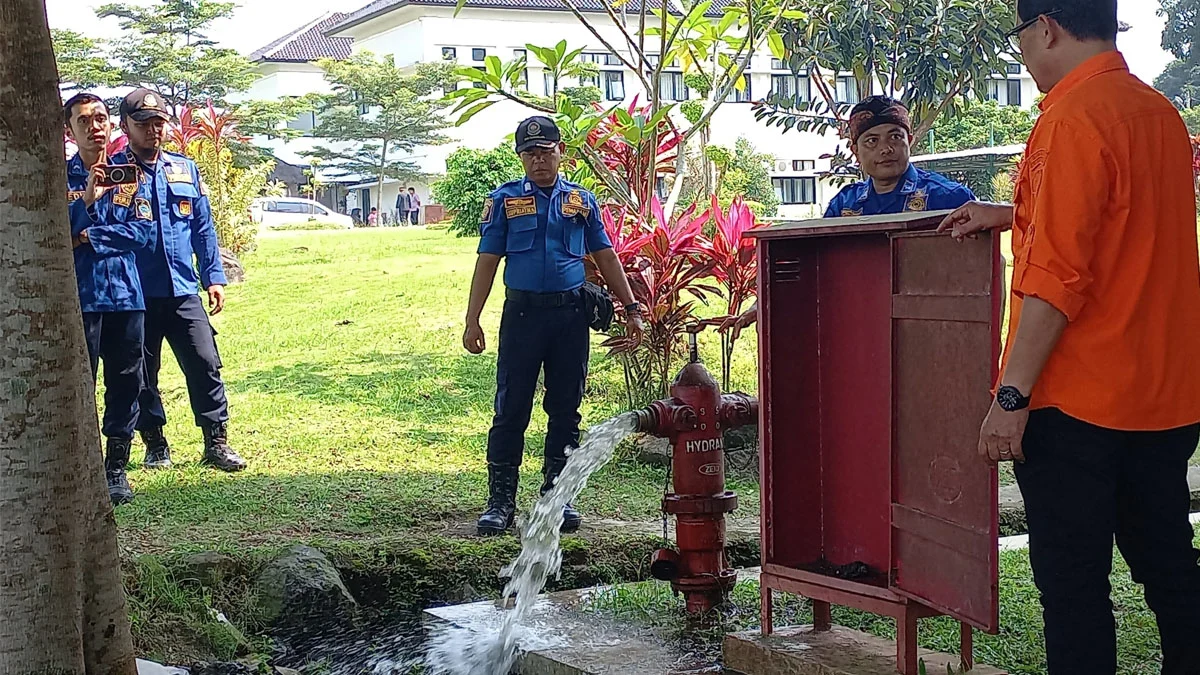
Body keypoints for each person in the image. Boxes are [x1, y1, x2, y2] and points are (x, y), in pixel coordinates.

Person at [939, 2, 1200, 672]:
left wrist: (1012, 395)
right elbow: (1120, 220)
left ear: (1045, 27)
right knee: (1171, 566)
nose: (1024, 52)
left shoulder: (1071, 117)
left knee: (1074, 586)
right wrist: (1012, 211)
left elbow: (1057, 277)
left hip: (1078, 401)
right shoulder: (1157, 114)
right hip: (1165, 396)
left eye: (1021, 36)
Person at [463, 116, 645, 536]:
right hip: (522, 317)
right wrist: (472, 318)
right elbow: (487, 261)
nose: (538, 161)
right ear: (521, 158)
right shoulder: (504, 201)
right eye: (530, 154)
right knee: (511, 409)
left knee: (565, 409)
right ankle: (501, 502)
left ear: (561, 152)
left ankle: (556, 497)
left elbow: (606, 256)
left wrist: (632, 307)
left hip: (569, 318)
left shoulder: (582, 201)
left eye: (546, 152)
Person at [721, 95, 976, 338]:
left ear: (909, 140)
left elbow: (984, 268)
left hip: (933, 330)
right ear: (855, 150)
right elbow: (811, 264)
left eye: (895, 137)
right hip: (857, 328)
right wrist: (761, 306)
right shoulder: (845, 204)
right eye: (871, 141)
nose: (886, 149)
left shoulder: (948, 199)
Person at [120, 88, 247, 473]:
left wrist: (214, 277)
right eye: (144, 124)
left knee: (205, 362)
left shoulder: (184, 169)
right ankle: (155, 444)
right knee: (142, 373)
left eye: (159, 123)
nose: (153, 131)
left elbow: (203, 228)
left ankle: (216, 441)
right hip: (136, 292)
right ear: (126, 126)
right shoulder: (114, 173)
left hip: (182, 289)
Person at [63, 92, 157, 505]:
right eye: (84, 121)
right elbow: (55, 232)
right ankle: (77, 465)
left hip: (124, 296)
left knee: (126, 382)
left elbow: (142, 233)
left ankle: (116, 467)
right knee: (77, 383)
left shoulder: (129, 176)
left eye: (100, 118)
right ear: (70, 131)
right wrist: (86, 199)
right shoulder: (57, 178)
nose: (94, 126)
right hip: (79, 299)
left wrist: (86, 236)